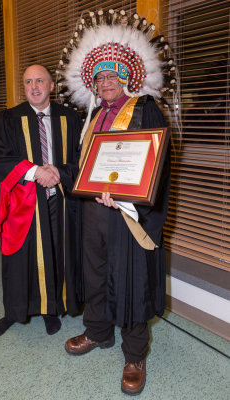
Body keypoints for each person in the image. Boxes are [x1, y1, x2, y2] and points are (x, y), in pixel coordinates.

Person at [57, 9, 176, 396]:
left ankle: (135, 354)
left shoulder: (144, 109)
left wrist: (127, 199)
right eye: (100, 77)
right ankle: (97, 331)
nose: (106, 81)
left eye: (113, 75)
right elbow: (83, 165)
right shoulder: (90, 117)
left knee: (132, 278)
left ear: (127, 77)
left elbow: (156, 166)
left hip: (128, 214)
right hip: (93, 211)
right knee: (94, 271)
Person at [0, 64, 83, 337]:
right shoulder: (7, 119)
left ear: (51, 86)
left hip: (59, 201)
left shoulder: (70, 118)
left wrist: (58, 173)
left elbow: (82, 157)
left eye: (40, 81)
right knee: (18, 260)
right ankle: (14, 311)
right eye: (28, 82)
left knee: (54, 255)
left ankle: (50, 310)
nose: (34, 87)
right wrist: (35, 171)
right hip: (23, 203)